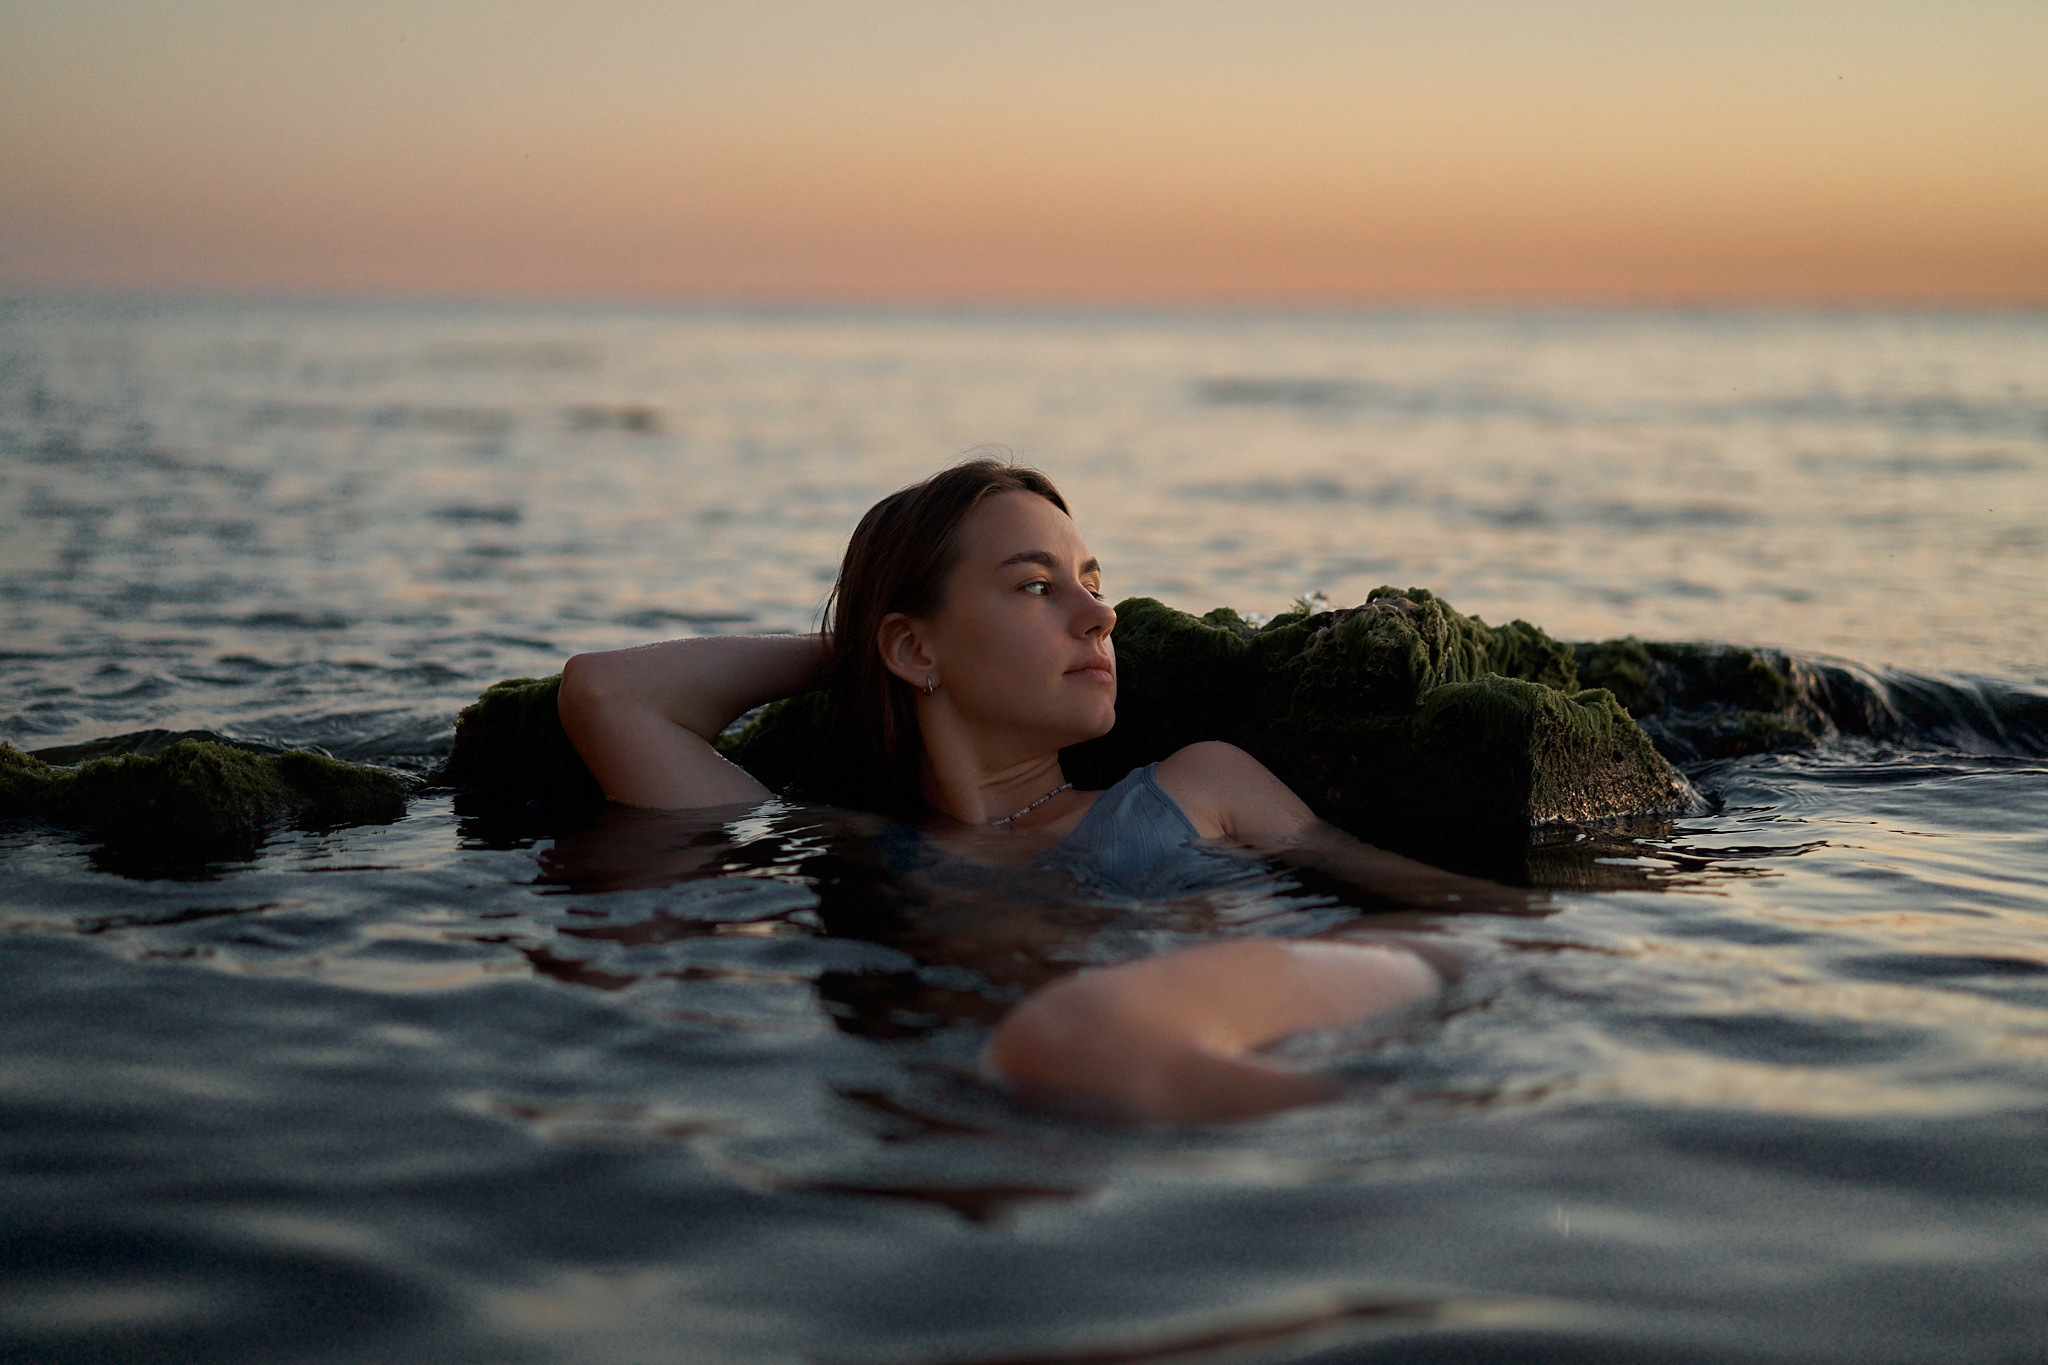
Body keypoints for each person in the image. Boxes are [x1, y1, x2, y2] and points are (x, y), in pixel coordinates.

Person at [557, 459, 1527, 1122]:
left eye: (1091, 580)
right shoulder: (847, 842)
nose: (1098, 613)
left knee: (1069, 1037)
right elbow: (607, 695)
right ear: (912, 644)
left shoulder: (1200, 787)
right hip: (1090, 1085)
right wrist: (857, 656)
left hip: (1346, 992)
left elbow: (1439, 914)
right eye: (1035, 587)